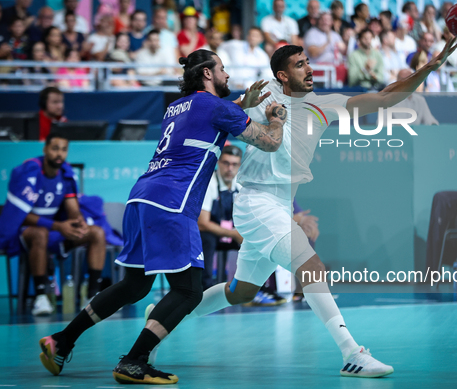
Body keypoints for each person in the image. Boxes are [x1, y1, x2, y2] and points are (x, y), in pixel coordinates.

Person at [165, 38, 457, 377]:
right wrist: (239, 103)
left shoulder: (325, 105)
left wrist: (429, 68)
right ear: (282, 75)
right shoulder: (263, 98)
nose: (310, 68)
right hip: (255, 201)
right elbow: (213, 113)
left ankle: (165, 315)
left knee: (240, 291)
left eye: (309, 62)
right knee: (312, 267)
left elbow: (384, 96)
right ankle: (352, 353)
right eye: (301, 64)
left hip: (279, 204)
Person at [37, 49, 287, 384]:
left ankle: (61, 340)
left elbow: (211, 117)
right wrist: (277, 118)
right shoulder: (216, 106)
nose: (228, 75)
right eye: (223, 69)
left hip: (141, 197)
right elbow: (269, 142)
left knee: (134, 284)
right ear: (208, 74)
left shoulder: (176, 106)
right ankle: (134, 360)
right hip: (173, 202)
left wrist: (241, 103)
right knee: (189, 290)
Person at [0, 132, 106, 316]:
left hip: (55, 231)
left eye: (64, 150)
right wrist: (58, 226)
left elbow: (72, 208)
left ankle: (92, 296)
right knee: (40, 233)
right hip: (27, 231)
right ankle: (41, 298)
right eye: (55, 148)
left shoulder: (65, 173)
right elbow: (21, 215)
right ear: (45, 149)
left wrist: (77, 221)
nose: (59, 154)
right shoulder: (29, 171)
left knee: (97, 233)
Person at [199, 145, 244, 290]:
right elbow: (202, 223)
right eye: (226, 163)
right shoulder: (209, 183)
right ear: (218, 163)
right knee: (206, 238)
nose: (230, 168)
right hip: (211, 234)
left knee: (257, 239)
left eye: (234, 164)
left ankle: (255, 288)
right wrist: (233, 234)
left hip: (234, 232)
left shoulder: (241, 184)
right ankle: (205, 288)